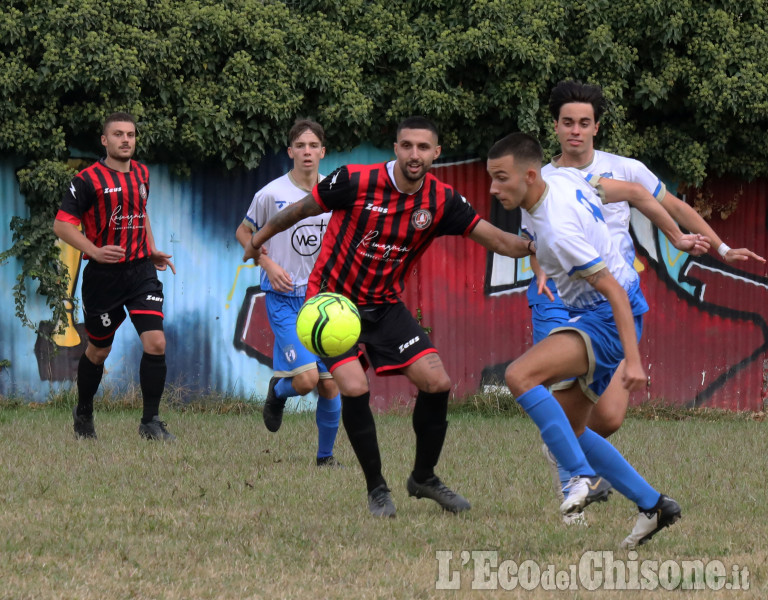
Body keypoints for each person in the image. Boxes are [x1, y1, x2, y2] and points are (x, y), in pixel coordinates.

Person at [244, 116, 537, 517]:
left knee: (437, 382)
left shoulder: (441, 201)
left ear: (436, 153)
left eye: (422, 147)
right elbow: (298, 211)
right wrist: (258, 241)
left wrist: (541, 246)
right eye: (406, 146)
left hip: (383, 305)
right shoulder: (355, 181)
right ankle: (377, 489)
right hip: (331, 305)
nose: (414, 154)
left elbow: (500, 240)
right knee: (352, 385)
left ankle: (424, 477)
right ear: (395, 148)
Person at [532, 80, 765, 521]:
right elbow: (536, 240)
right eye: (567, 123)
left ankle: (575, 459)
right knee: (542, 392)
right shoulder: (544, 180)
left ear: (597, 126)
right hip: (559, 301)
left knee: (608, 419)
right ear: (556, 127)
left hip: (612, 303)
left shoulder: (623, 169)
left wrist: (721, 249)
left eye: (584, 123)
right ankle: (574, 496)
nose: (575, 131)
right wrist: (539, 270)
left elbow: (672, 206)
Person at [487, 132, 711, 548]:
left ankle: (581, 478)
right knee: (572, 429)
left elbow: (612, 291)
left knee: (520, 376)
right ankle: (654, 504)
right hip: (604, 313)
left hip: (605, 318)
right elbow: (632, 191)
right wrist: (676, 236)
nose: (493, 187)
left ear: (530, 175)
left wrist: (634, 360)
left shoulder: (556, 231)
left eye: (501, 178)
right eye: (491, 177)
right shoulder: (569, 178)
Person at [53, 112, 176, 441]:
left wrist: (150, 249)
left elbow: (141, 211)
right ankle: (83, 412)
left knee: (156, 342)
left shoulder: (141, 173)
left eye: (131, 134)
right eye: (119, 134)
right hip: (103, 278)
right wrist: (93, 251)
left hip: (140, 273)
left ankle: (150, 421)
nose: (126, 140)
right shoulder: (87, 179)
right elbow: (62, 224)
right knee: (98, 351)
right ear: (104, 140)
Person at [235, 119, 343, 467]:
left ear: (323, 152)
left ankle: (325, 458)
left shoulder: (335, 192)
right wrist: (267, 265)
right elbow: (243, 234)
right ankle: (277, 393)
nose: (307, 152)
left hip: (324, 302)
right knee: (307, 380)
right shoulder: (271, 194)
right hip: (284, 298)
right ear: (290, 152)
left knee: (329, 384)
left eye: (314, 146)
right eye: (301, 146)